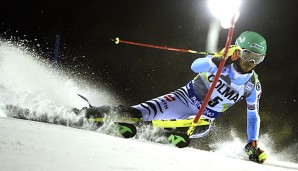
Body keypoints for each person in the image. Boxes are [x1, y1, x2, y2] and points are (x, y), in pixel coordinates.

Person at [84, 31, 268, 163]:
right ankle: (87, 114)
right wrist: (218, 59)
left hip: (201, 119)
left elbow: (253, 115)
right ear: (237, 50)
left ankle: (158, 133)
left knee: (197, 125)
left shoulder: (252, 85)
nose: (250, 63)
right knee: (137, 112)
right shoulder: (222, 63)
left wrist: (252, 143)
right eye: (248, 55)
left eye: (257, 59)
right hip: (183, 98)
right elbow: (195, 67)